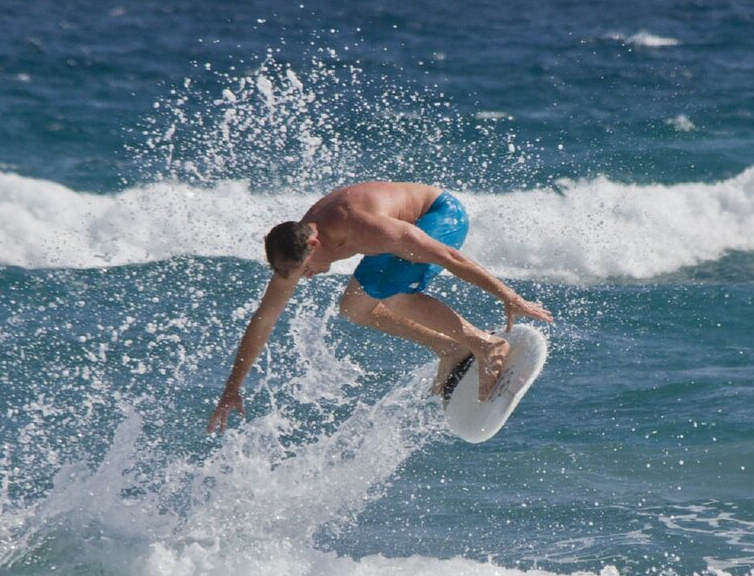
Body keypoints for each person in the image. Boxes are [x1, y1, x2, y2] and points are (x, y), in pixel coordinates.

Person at [207, 181, 552, 432]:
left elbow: (448, 257)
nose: (306, 277)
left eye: (306, 269)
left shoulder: (365, 227)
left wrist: (509, 296)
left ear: (314, 244)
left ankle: (486, 344)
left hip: (440, 214)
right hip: (400, 230)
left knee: (391, 292)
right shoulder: (293, 250)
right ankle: (449, 347)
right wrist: (231, 388)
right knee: (355, 308)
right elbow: (263, 320)